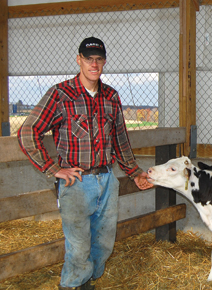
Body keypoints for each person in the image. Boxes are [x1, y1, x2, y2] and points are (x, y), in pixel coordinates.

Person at [18, 37, 154, 290]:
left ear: (104, 62)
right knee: (78, 245)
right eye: (88, 58)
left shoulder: (111, 96)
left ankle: (86, 281)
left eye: (99, 59)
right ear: (78, 59)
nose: (94, 64)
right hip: (76, 182)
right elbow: (28, 132)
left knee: (104, 243)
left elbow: (120, 140)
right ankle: (71, 285)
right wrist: (53, 169)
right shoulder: (60, 94)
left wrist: (134, 173)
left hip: (106, 179)